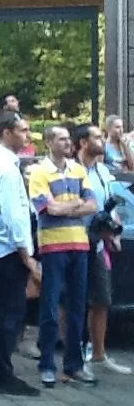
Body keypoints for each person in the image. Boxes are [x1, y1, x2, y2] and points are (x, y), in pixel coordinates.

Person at [29, 126, 97, 387]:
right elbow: (47, 210)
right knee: (50, 306)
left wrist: (64, 207)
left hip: (79, 245)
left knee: (78, 306)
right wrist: (75, 205)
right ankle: (47, 363)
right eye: (62, 138)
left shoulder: (78, 170)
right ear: (49, 142)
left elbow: (93, 205)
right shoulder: (39, 172)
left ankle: (74, 364)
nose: (68, 142)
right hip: (53, 246)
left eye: (69, 138)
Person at [0, 112, 41, 396]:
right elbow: (13, 215)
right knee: (9, 314)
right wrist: (26, 255)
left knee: (6, 313)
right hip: (7, 251)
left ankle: (0, 371)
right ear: (6, 132)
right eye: (22, 130)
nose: (27, 136)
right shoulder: (5, 169)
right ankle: (2, 374)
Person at [74, 124, 131, 375]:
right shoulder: (72, 171)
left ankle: (98, 354)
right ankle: (73, 354)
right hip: (74, 239)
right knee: (73, 299)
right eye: (97, 137)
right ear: (83, 142)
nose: (103, 141)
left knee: (102, 298)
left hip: (98, 242)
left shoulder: (103, 171)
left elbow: (111, 206)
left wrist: (114, 229)